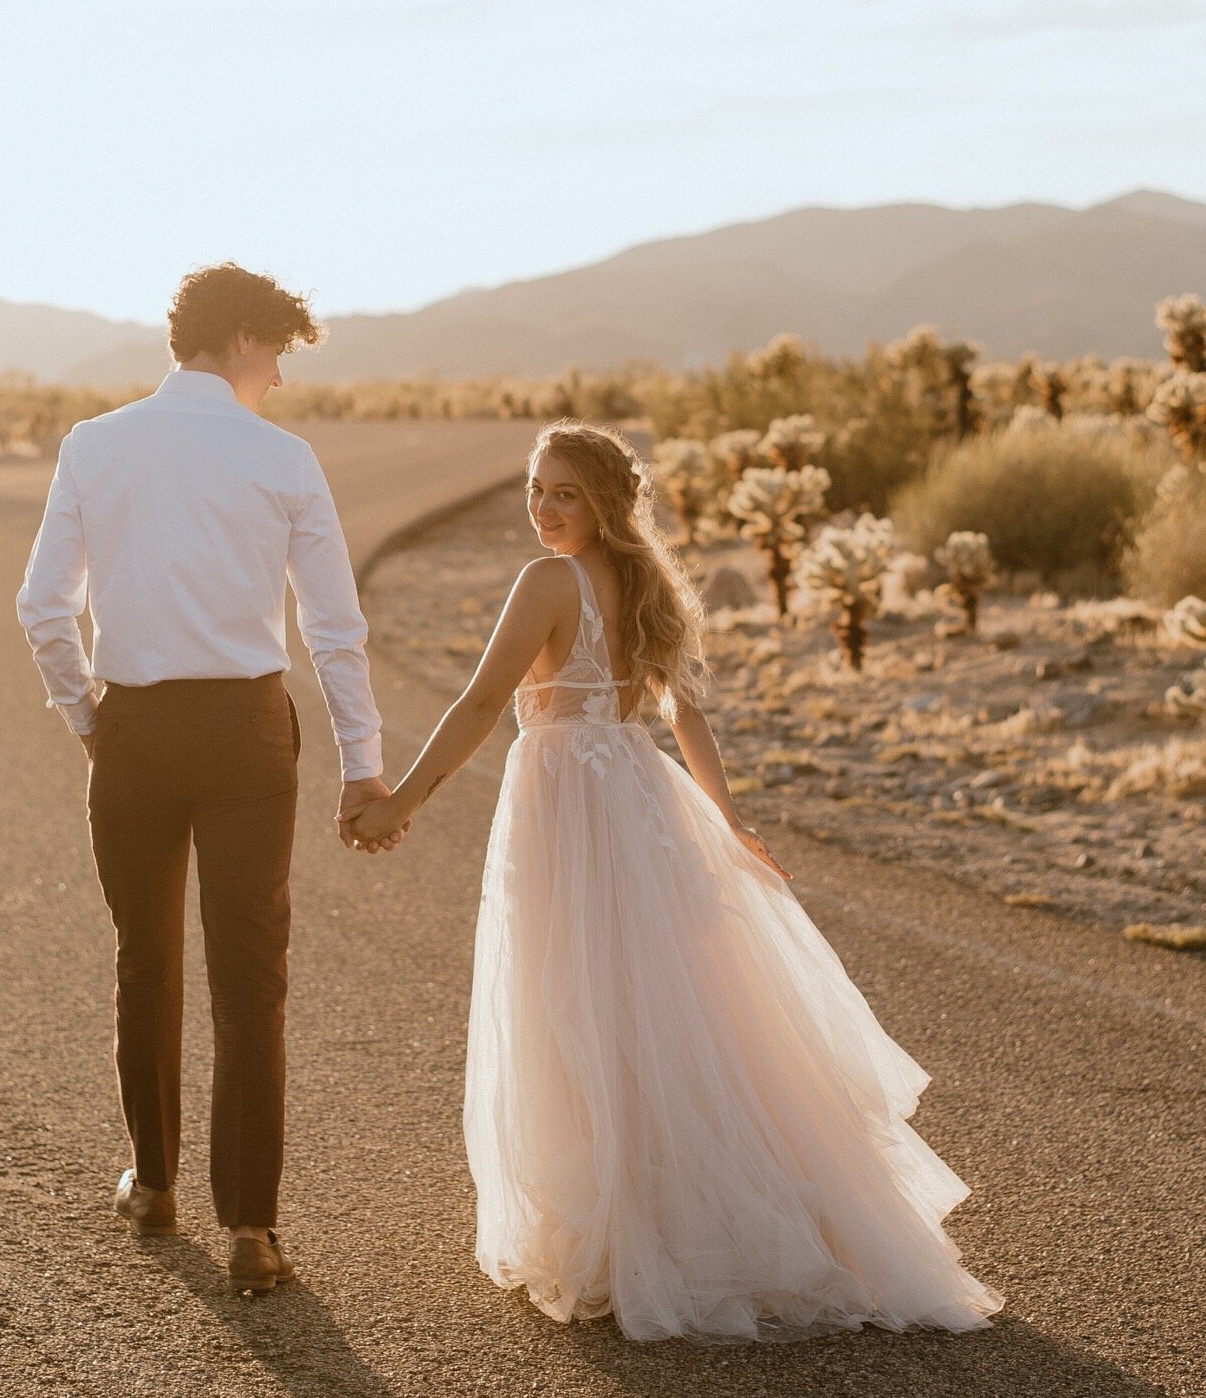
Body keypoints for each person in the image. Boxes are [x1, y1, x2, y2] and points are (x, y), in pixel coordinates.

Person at [344, 420, 1003, 1344]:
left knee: (579, 997)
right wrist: (721, 818)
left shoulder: (548, 582)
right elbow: (686, 720)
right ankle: (671, 1211)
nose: (543, 507)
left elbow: (487, 701)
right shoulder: (647, 577)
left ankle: (627, 1228)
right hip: (638, 797)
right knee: (661, 1004)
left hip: (570, 803)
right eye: (536, 488)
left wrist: (402, 799)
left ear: (605, 501)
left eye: (564, 492)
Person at [17, 262, 399, 1296]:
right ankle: (253, 1229)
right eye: (275, 351)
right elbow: (333, 629)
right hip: (245, 738)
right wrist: (362, 766)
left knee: (146, 958)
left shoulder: (95, 446)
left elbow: (43, 608)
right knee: (249, 977)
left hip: (134, 730)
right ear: (240, 340)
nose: (276, 375)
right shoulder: (282, 458)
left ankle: (153, 1182)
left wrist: (91, 719)